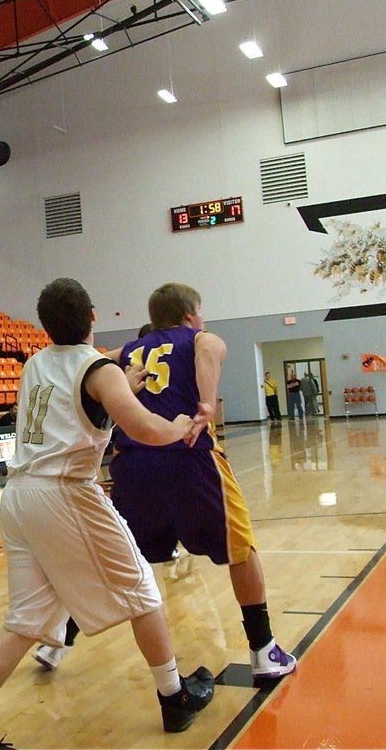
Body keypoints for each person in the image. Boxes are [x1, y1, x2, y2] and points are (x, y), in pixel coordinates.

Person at [0, 278, 215, 750]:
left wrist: (123, 386)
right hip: (63, 491)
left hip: (17, 495)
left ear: (45, 325)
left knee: (26, 620)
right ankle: (174, 696)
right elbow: (141, 427)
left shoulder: (35, 363)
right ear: (94, 316)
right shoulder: (100, 371)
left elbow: (78, 401)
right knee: (143, 590)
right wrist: (179, 426)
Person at [102, 283, 296, 686]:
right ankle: (264, 652)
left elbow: (94, 362)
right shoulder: (198, 337)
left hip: (132, 465)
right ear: (191, 314)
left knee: (118, 560)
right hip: (189, 455)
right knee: (241, 550)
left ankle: (57, 640)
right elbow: (208, 349)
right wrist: (207, 403)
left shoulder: (129, 351)